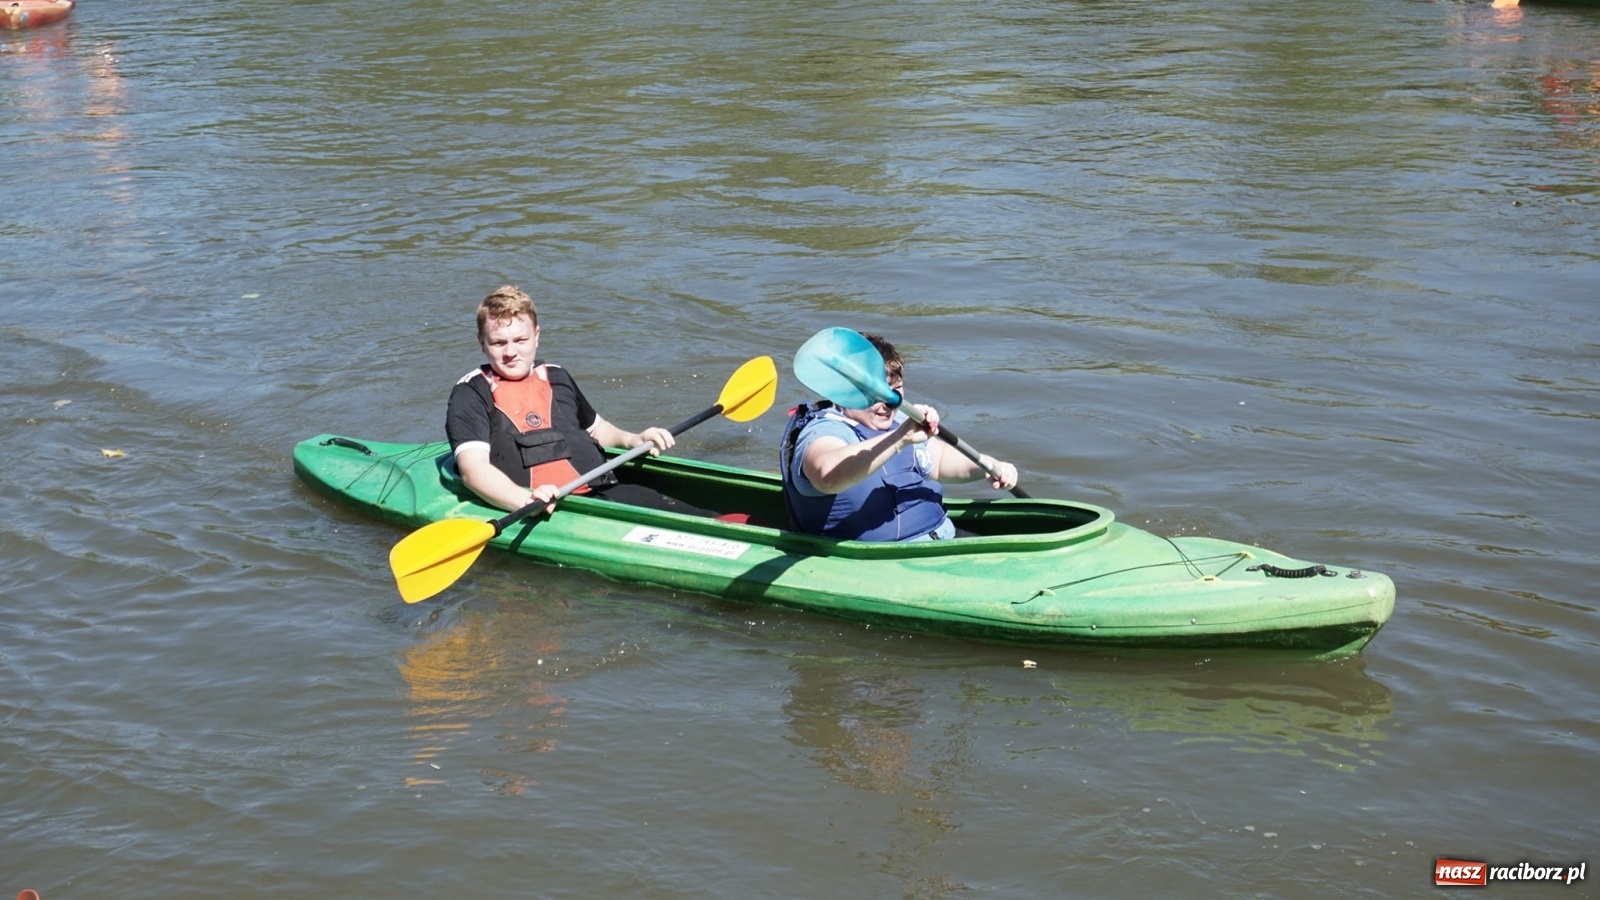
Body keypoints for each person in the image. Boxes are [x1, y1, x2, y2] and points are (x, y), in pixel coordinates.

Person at [445, 285, 712, 517]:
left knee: (707, 517)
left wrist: (634, 439)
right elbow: (473, 469)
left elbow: (597, 429)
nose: (511, 352)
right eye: (499, 343)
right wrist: (524, 500)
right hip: (545, 508)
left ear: (537, 336)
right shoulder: (471, 393)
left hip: (604, 489)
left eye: (520, 340)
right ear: (482, 342)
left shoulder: (557, 375)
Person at [779, 333, 1020, 541]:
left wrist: (987, 466)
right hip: (872, 560)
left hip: (941, 539)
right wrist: (898, 439)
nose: (887, 404)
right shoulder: (825, 430)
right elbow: (827, 476)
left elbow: (941, 461)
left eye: (895, 391)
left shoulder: (897, 423)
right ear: (843, 393)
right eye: (874, 393)